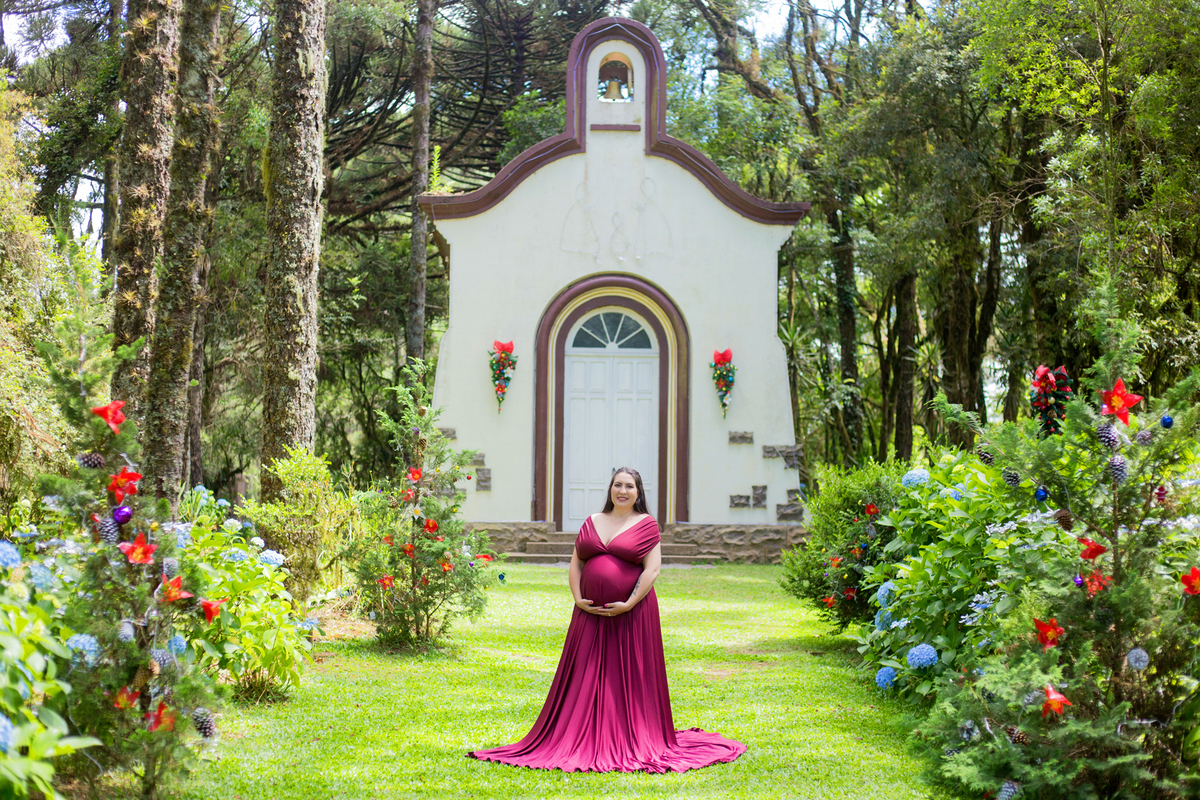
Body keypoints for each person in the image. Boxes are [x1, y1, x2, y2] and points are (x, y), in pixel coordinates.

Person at [469, 467, 745, 773]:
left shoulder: (646, 524)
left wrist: (627, 604)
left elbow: (652, 570)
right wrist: (577, 598)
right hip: (588, 615)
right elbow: (576, 563)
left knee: (626, 675)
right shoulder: (592, 521)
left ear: (638, 493)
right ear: (610, 489)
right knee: (584, 676)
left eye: (629, 486)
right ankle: (577, 731)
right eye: (617, 485)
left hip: (633, 615)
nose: (622, 491)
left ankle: (630, 731)